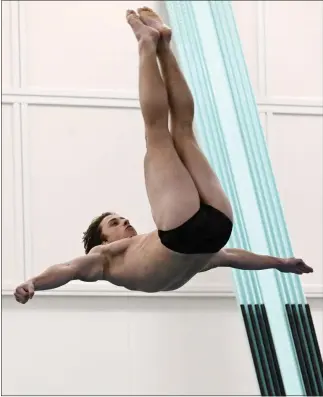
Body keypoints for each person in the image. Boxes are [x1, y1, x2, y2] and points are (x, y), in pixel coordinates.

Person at [14, 8, 313, 304]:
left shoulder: (147, 243)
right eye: (114, 223)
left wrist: (278, 263)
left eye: (121, 218)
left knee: (183, 130)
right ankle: (147, 42)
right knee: (157, 131)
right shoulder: (104, 259)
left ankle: (164, 45)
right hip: (207, 228)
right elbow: (67, 269)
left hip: (206, 232)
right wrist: (34, 283)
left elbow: (233, 256)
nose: (125, 223)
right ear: (102, 241)